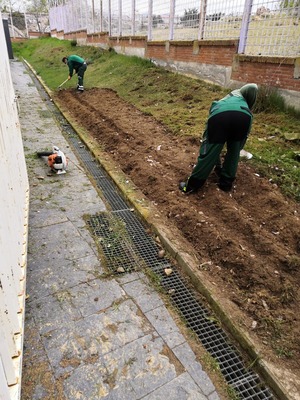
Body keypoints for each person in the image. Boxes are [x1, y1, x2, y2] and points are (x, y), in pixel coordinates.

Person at [179, 83, 258, 193]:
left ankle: (191, 186)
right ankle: (226, 184)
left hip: (220, 116)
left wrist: (216, 162)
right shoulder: (246, 105)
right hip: (244, 118)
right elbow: (253, 87)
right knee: (234, 152)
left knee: (210, 150)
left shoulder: (226, 99)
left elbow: (210, 144)